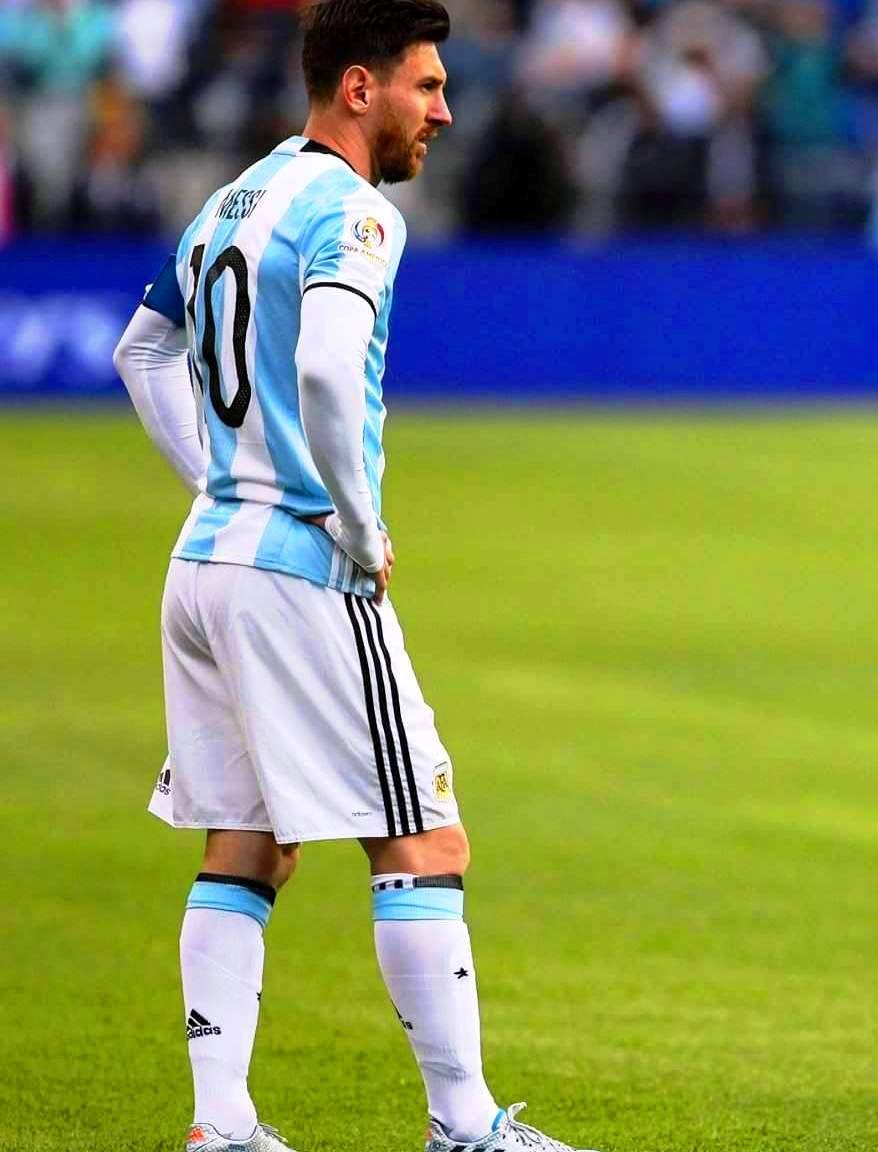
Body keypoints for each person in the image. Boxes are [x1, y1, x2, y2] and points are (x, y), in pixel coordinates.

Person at [107, 3, 599, 1151]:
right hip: (297, 567)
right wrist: (353, 522)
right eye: (427, 85)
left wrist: (221, 478)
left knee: (247, 843)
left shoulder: (234, 200)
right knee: (424, 838)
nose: (444, 111)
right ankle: (465, 1126)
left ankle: (221, 1125)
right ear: (359, 87)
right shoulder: (357, 213)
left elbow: (142, 350)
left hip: (206, 563)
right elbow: (328, 369)